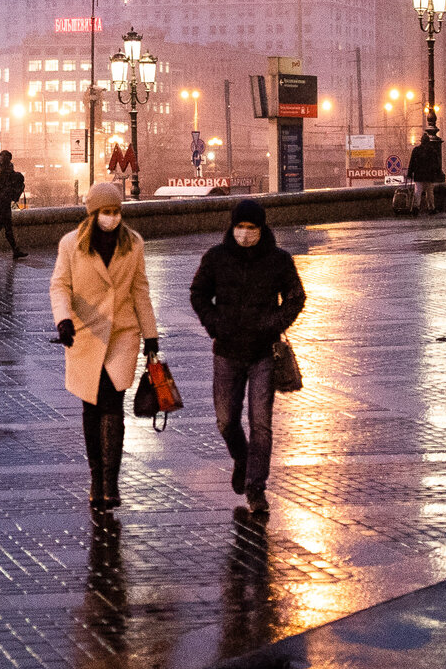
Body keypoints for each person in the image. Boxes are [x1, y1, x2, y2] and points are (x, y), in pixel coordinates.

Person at [188, 197, 306, 520]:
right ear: (232, 227)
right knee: (226, 420)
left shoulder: (278, 260)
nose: (244, 233)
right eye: (240, 226)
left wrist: (272, 324)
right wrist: (214, 324)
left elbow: (296, 297)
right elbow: (198, 293)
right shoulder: (216, 258)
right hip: (226, 351)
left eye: (251, 227)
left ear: (261, 228)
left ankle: (256, 488)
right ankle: (242, 459)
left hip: (262, 354)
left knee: (261, 425)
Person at [50, 182, 159, 512]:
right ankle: (96, 476)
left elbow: (140, 291)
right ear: (93, 213)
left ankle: (110, 482)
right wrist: (63, 320)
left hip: (123, 334)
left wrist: (151, 337)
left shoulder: (133, 244)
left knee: (113, 403)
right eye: (106, 212)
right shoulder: (72, 245)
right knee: (91, 407)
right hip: (84, 333)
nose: (112, 217)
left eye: (116, 211)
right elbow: (60, 286)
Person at [0, 150, 26, 257]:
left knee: (7, 227)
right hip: (0, 202)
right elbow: (8, 178)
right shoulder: (1, 167)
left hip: (1, 201)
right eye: (9, 159)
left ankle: (15, 251)